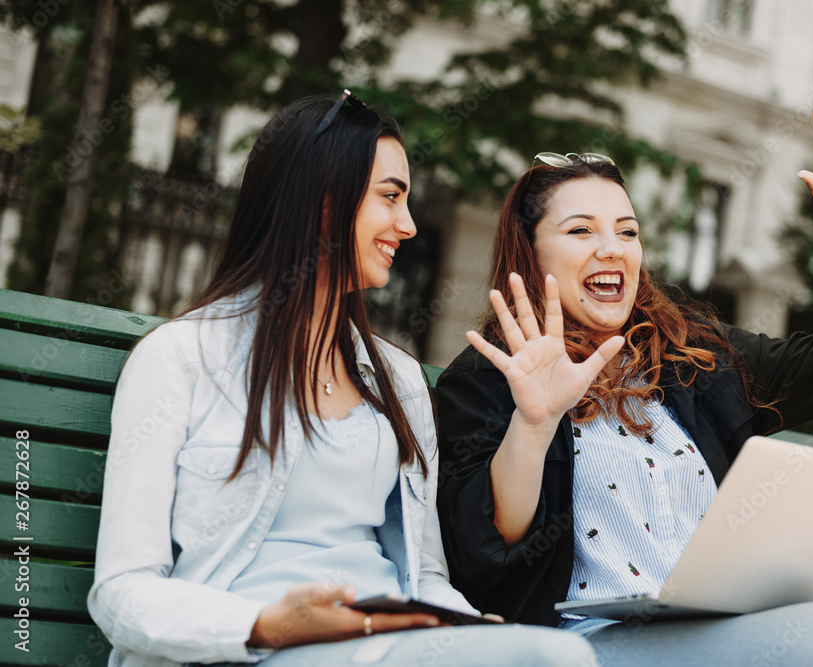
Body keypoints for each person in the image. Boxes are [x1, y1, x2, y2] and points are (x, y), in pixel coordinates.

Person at [87, 92, 597, 666]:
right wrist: (270, 625)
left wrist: (468, 630)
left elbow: (424, 576)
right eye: (390, 197)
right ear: (322, 201)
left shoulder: (398, 381)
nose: (406, 225)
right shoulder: (178, 359)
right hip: (246, 651)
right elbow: (121, 593)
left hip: (383, 645)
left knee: (552, 657)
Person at [435, 93, 813, 665]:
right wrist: (534, 421)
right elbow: (484, 551)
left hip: (716, 632)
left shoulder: (689, 356)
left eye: (627, 232)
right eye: (581, 231)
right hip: (583, 646)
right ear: (529, 253)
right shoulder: (487, 378)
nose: (612, 249)